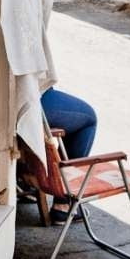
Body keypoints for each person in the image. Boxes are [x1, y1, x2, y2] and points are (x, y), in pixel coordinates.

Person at [40, 87, 98, 223]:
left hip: (12, 100)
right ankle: (63, 203)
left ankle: (26, 182)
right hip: (30, 99)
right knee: (89, 118)